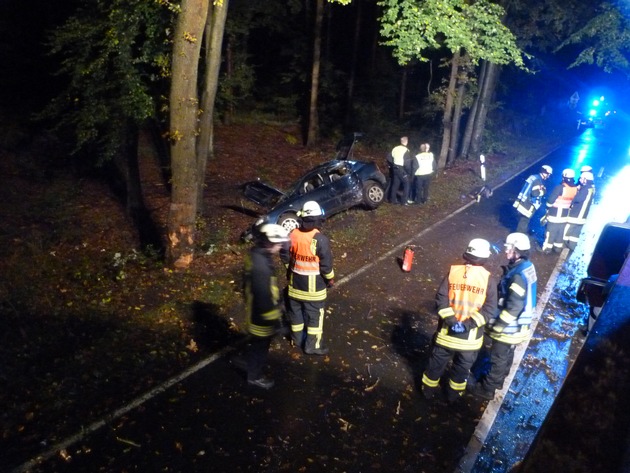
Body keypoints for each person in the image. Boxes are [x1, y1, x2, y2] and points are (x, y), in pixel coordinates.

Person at [421, 239, 498, 404]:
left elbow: (441, 300)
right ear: (485, 258)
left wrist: (452, 321)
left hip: (446, 335)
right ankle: (452, 397)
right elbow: (489, 309)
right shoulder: (488, 280)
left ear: (467, 253)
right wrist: (467, 325)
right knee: (461, 371)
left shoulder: (453, 273)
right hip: (469, 341)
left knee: (435, 366)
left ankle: (427, 392)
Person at [468, 233, 537, 400]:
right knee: (506, 354)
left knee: (498, 357)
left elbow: (514, 306)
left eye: (508, 248)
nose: (506, 252)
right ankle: (498, 381)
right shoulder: (526, 266)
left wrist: (499, 325)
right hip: (520, 325)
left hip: (510, 326)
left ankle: (487, 389)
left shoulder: (517, 275)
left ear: (517, 251)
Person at [232, 223, 290, 389]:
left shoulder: (256, 255)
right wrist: (277, 323)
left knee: (256, 342)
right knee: (261, 347)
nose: (280, 247)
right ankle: (254, 376)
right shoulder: (262, 267)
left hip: (254, 310)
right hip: (261, 317)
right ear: (269, 243)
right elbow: (264, 298)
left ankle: (246, 360)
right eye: (278, 244)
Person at [281, 201, 335, 355]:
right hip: (314, 291)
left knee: (295, 315)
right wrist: (330, 279)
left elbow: (284, 254)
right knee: (314, 319)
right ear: (318, 220)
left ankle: (296, 340)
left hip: (294, 287)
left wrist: (289, 268)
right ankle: (313, 346)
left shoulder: (293, 235)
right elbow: (326, 266)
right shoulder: (320, 240)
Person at [540, 169, 577, 253]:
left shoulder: (560, 187)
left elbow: (550, 201)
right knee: (560, 232)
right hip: (565, 215)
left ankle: (547, 248)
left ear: (564, 177)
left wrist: (547, 207)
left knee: (550, 231)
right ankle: (557, 248)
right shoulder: (575, 188)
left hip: (554, 213)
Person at [513, 165, 553, 233]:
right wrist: (543, 191)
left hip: (523, 201)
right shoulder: (538, 181)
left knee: (522, 220)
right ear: (545, 173)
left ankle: (519, 233)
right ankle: (520, 235)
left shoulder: (533, 177)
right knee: (524, 221)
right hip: (529, 204)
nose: (548, 176)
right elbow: (535, 193)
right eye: (548, 174)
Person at [563, 171, 596, 250]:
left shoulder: (585, 189)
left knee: (566, 231)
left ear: (586, 179)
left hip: (576, 216)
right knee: (575, 234)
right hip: (582, 217)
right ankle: (571, 248)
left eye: (581, 178)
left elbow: (578, 199)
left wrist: (574, 196)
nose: (580, 180)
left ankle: (561, 246)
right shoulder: (592, 188)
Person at [387, 136, 411, 205]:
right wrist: (408, 172)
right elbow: (407, 163)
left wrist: (392, 164)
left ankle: (392, 200)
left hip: (395, 168)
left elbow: (389, 157)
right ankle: (404, 201)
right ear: (406, 142)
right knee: (407, 183)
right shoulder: (406, 150)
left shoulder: (395, 148)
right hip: (401, 169)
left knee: (395, 184)